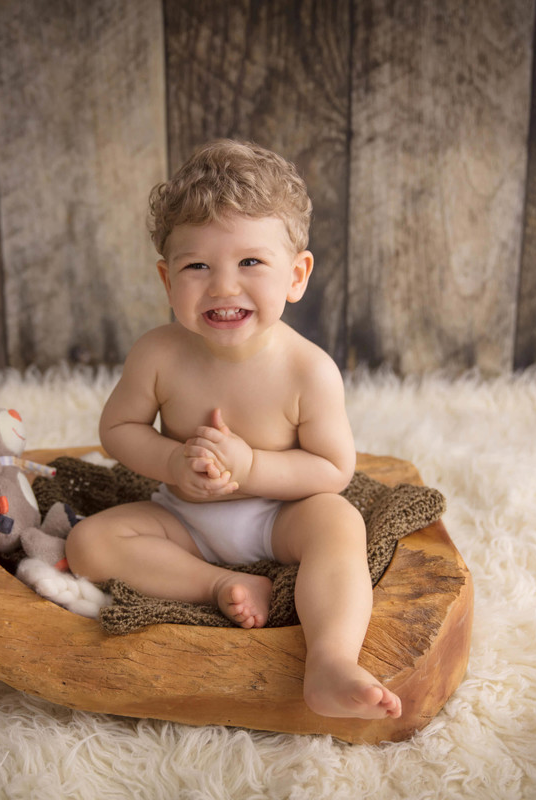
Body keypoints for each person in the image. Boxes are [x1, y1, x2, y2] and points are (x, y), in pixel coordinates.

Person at [65, 140, 401, 720]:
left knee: (340, 521)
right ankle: (216, 585)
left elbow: (331, 468)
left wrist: (250, 468)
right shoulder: (158, 354)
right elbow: (118, 428)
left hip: (279, 516)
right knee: (87, 544)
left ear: (296, 275)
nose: (223, 286)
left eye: (250, 263)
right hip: (182, 516)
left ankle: (330, 659)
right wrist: (173, 464)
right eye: (198, 266)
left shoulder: (308, 370)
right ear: (168, 280)